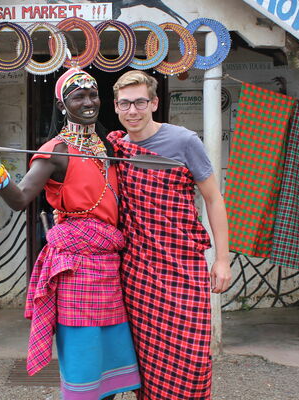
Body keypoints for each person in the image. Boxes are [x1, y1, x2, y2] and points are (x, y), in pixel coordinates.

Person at [0, 68, 140, 400]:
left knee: (109, 367)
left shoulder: (108, 145)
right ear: (63, 105)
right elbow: (20, 199)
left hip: (110, 267)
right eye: (78, 96)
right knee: (83, 362)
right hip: (77, 270)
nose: (89, 101)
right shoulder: (56, 150)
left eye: (93, 94)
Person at [107, 70, 231, 399]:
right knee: (146, 357)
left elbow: (214, 199)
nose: (132, 110)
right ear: (116, 106)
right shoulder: (117, 148)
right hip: (138, 271)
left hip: (182, 267)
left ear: (154, 103)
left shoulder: (184, 141)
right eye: (124, 104)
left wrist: (221, 260)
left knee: (190, 354)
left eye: (139, 102)